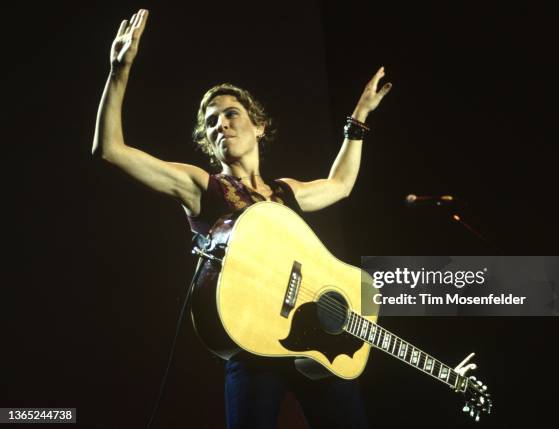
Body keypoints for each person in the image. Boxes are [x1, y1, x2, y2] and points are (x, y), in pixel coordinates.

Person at [92, 9, 392, 429]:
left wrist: (358, 118)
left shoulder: (284, 192)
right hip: (251, 353)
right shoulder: (203, 187)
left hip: (311, 346)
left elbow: (340, 183)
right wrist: (118, 72)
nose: (221, 124)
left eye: (230, 113)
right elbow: (111, 149)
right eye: (210, 122)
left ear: (259, 125)